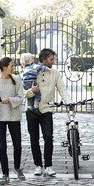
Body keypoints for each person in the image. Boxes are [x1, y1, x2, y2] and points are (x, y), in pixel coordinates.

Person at [24, 48, 71, 176]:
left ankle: (49, 165)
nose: (53, 61)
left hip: (47, 110)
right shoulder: (31, 71)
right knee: (34, 139)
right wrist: (31, 92)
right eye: (51, 59)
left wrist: (68, 102)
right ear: (43, 60)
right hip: (31, 110)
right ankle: (38, 165)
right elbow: (23, 91)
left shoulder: (55, 73)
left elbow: (62, 89)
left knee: (48, 137)